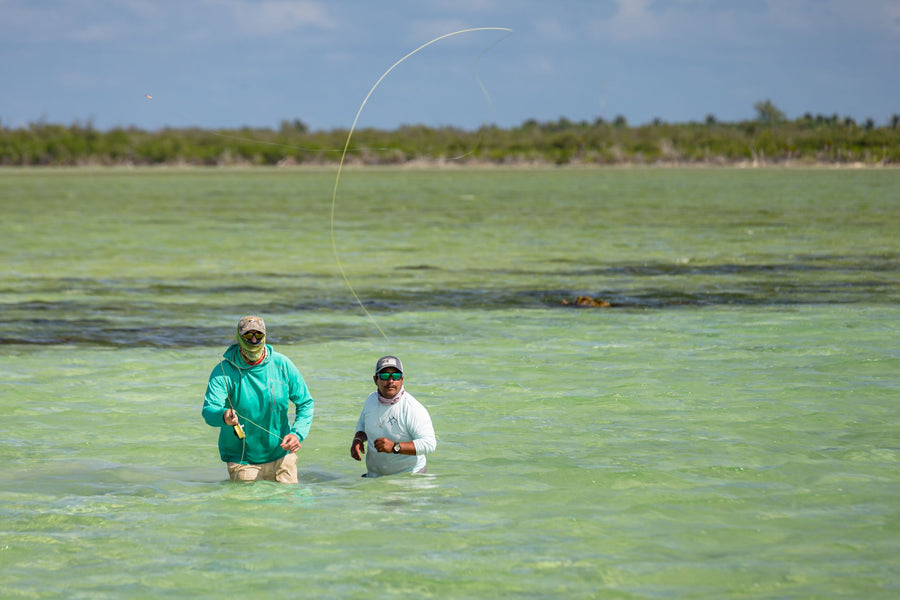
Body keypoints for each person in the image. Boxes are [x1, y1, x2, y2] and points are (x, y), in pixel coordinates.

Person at [202, 315, 314, 483]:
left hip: (283, 455)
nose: (254, 340)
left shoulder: (282, 364)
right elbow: (209, 411)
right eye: (248, 335)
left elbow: (305, 403)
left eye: (258, 335)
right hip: (243, 461)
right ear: (239, 338)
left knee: (291, 500)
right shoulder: (223, 371)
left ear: (265, 336)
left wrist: (297, 434)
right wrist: (224, 416)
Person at [350, 356, 436, 477]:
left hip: (409, 478)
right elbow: (362, 423)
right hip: (374, 477)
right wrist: (358, 439)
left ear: (402, 379)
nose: (391, 381)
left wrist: (395, 447)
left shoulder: (412, 408)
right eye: (385, 376)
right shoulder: (370, 400)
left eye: (396, 376)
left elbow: (429, 444)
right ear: (375, 380)